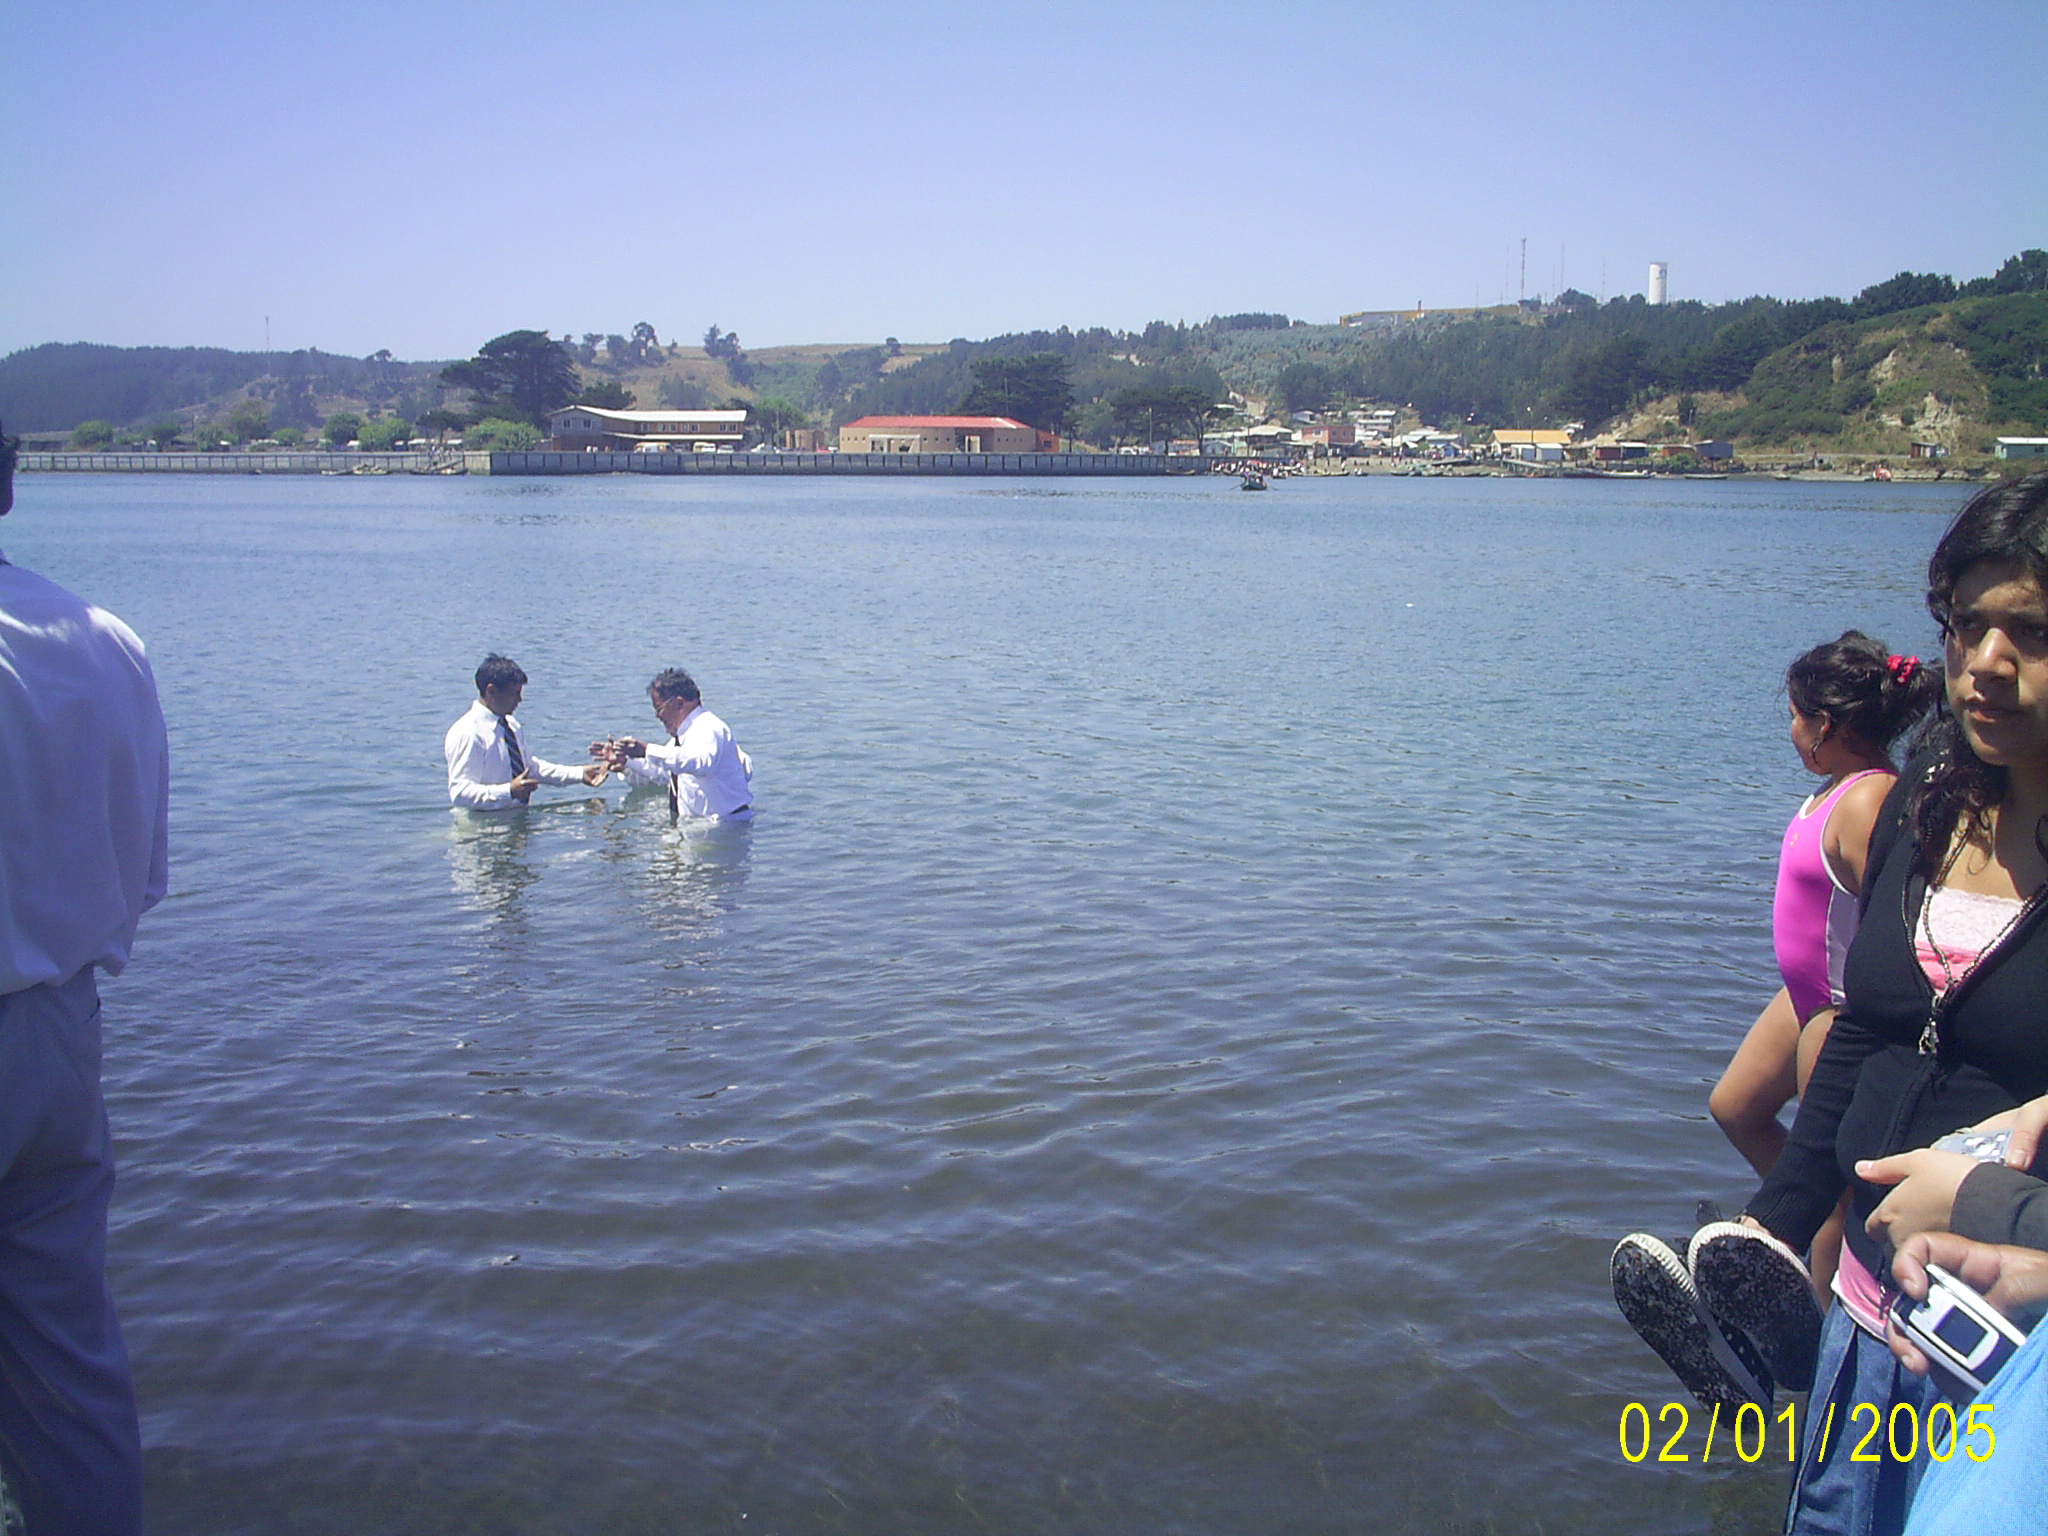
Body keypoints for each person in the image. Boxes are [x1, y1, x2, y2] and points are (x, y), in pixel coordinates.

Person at [1705, 472, 2048, 1535]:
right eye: (1965, 626)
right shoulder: (1928, 805)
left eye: (2032, 633)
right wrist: (1773, 1226)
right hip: (1866, 1315)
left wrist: (1986, 1200)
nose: (1986, 663)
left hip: (2008, 1360)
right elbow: (1866, 1029)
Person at [0, 419, 165, 1534]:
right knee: (65, 1359)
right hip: (56, 1033)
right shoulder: (103, 640)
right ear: (10, 485)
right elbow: (141, 873)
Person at [1706, 634, 1938, 1291]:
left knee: (1830, 1179)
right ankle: (1789, 1243)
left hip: (1838, 1009)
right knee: (1736, 1107)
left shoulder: (1868, 799)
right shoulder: (1838, 788)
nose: (1790, 730)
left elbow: (1897, 918)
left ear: (1826, 725)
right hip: (1801, 996)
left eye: (1794, 717)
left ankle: (1819, 1296)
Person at [444, 654, 605, 810]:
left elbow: (530, 768)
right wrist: (508, 791)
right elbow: (460, 793)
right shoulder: (468, 733)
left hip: (516, 816)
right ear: (491, 691)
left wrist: (578, 774)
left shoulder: (511, 725)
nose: (519, 700)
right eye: (514, 693)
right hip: (479, 824)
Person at [593, 667, 753, 822]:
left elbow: (700, 763)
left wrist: (646, 750)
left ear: (679, 703)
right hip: (703, 825)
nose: (657, 716)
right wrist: (626, 761)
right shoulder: (683, 737)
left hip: (724, 825)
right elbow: (662, 770)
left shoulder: (708, 728)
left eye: (659, 708)